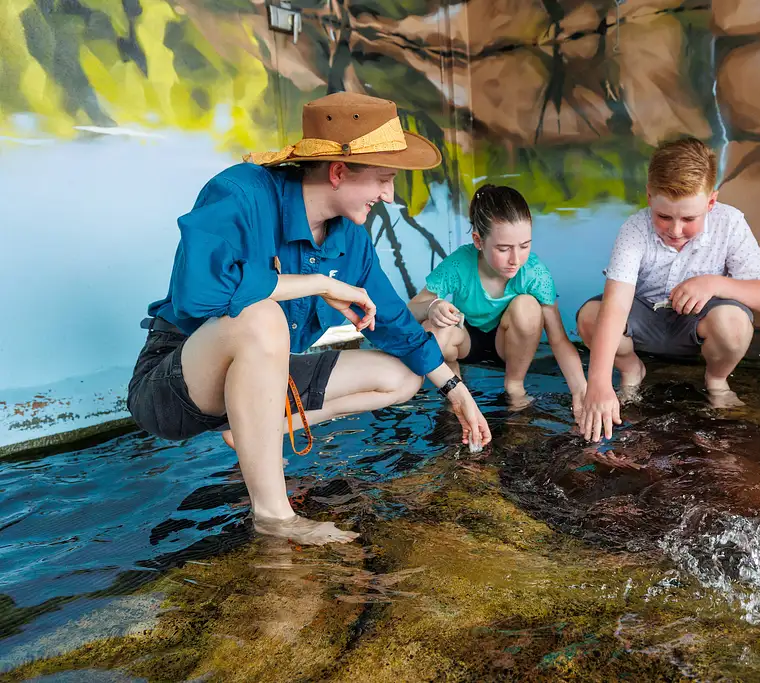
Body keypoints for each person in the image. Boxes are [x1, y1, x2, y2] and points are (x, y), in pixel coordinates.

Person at [128, 92, 491, 545]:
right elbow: (199, 293)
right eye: (382, 178)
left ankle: (252, 430)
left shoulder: (352, 239)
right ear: (338, 172)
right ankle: (275, 516)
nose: (389, 195)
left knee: (402, 378)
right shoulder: (241, 193)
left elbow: (397, 324)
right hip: (175, 385)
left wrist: (458, 395)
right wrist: (318, 282)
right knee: (262, 318)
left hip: (262, 383)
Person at [577, 137, 760, 442]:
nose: (675, 230)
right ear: (649, 198)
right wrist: (599, 381)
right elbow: (616, 306)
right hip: (644, 320)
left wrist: (714, 283)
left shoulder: (731, 223)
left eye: (689, 218)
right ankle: (632, 370)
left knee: (734, 324)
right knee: (591, 316)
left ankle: (717, 379)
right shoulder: (634, 229)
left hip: (698, 325)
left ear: (711, 202)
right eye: (664, 216)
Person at [407, 185, 587, 417]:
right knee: (433, 326)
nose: (516, 259)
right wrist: (432, 307)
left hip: (509, 345)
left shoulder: (534, 272)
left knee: (528, 306)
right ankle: (454, 389)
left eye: (525, 246)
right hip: (465, 341)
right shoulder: (460, 263)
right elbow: (412, 309)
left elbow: (559, 339)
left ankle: (515, 386)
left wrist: (581, 389)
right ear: (478, 241)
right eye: (503, 248)